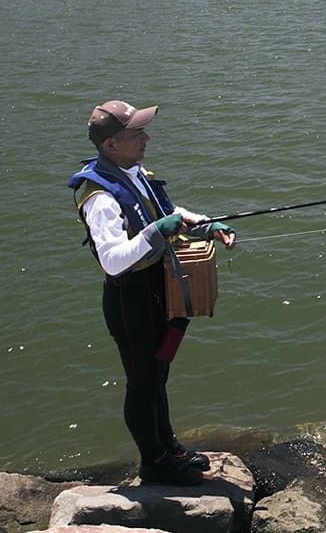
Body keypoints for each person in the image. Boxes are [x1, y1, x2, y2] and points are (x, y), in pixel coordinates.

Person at [67, 100, 237, 486]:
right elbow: (113, 259)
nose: (146, 138)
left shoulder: (132, 171)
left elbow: (160, 210)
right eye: (136, 133)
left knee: (159, 373)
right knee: (142, 382)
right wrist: (160, 229)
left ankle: (169, 446)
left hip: (159, 289)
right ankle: (154, 461)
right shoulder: (98, 196)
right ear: (111, 145)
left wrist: (202, 224)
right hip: (130, 300)